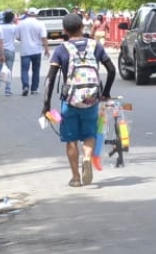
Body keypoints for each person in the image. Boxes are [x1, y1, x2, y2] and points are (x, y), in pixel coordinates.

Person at [41, 13, 117, 188]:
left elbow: (50, 79)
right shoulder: (95, 46)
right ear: (83, 27)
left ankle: (76, 178)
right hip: (92, 100)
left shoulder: (61, 49)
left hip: (70, 101)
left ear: (64, 31)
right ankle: (88, 158)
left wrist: (46, 105)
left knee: (71, 140)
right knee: (90, 135)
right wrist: (105, 93)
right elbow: (112, 70)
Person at [0, 11, 18, 96]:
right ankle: (8, 90)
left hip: (0, 50)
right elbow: (17, 37)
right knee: (9, 71)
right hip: (10, 50)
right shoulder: (14, 27)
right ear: (12, 18)